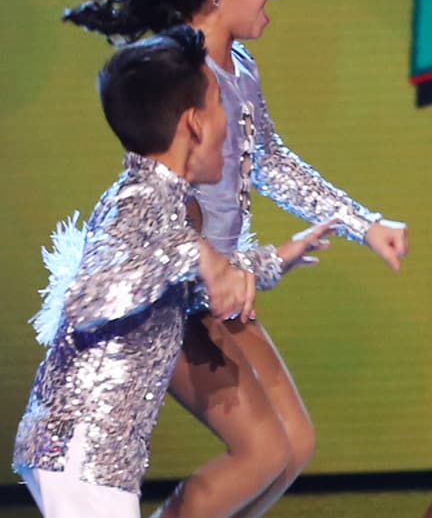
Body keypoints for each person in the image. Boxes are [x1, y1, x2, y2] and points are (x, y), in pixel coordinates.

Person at [62, 0, 409, 518]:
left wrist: (365, 223)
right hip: (176, 297)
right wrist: (202, 265)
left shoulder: (239, 68)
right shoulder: (178, 73)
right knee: (261, 451)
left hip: (222, 291)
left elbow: (270, 159)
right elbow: (152, 195)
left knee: (293, 446)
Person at [12, 26, 332, 518]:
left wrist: (272, 260)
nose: (231, 127)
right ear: (194, 125)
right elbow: (85, 298)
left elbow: (177, 275)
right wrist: (192, 255)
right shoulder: (139, 201)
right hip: (79, 452)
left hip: (96, 458)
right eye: (220, 107)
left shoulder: (163, 201)